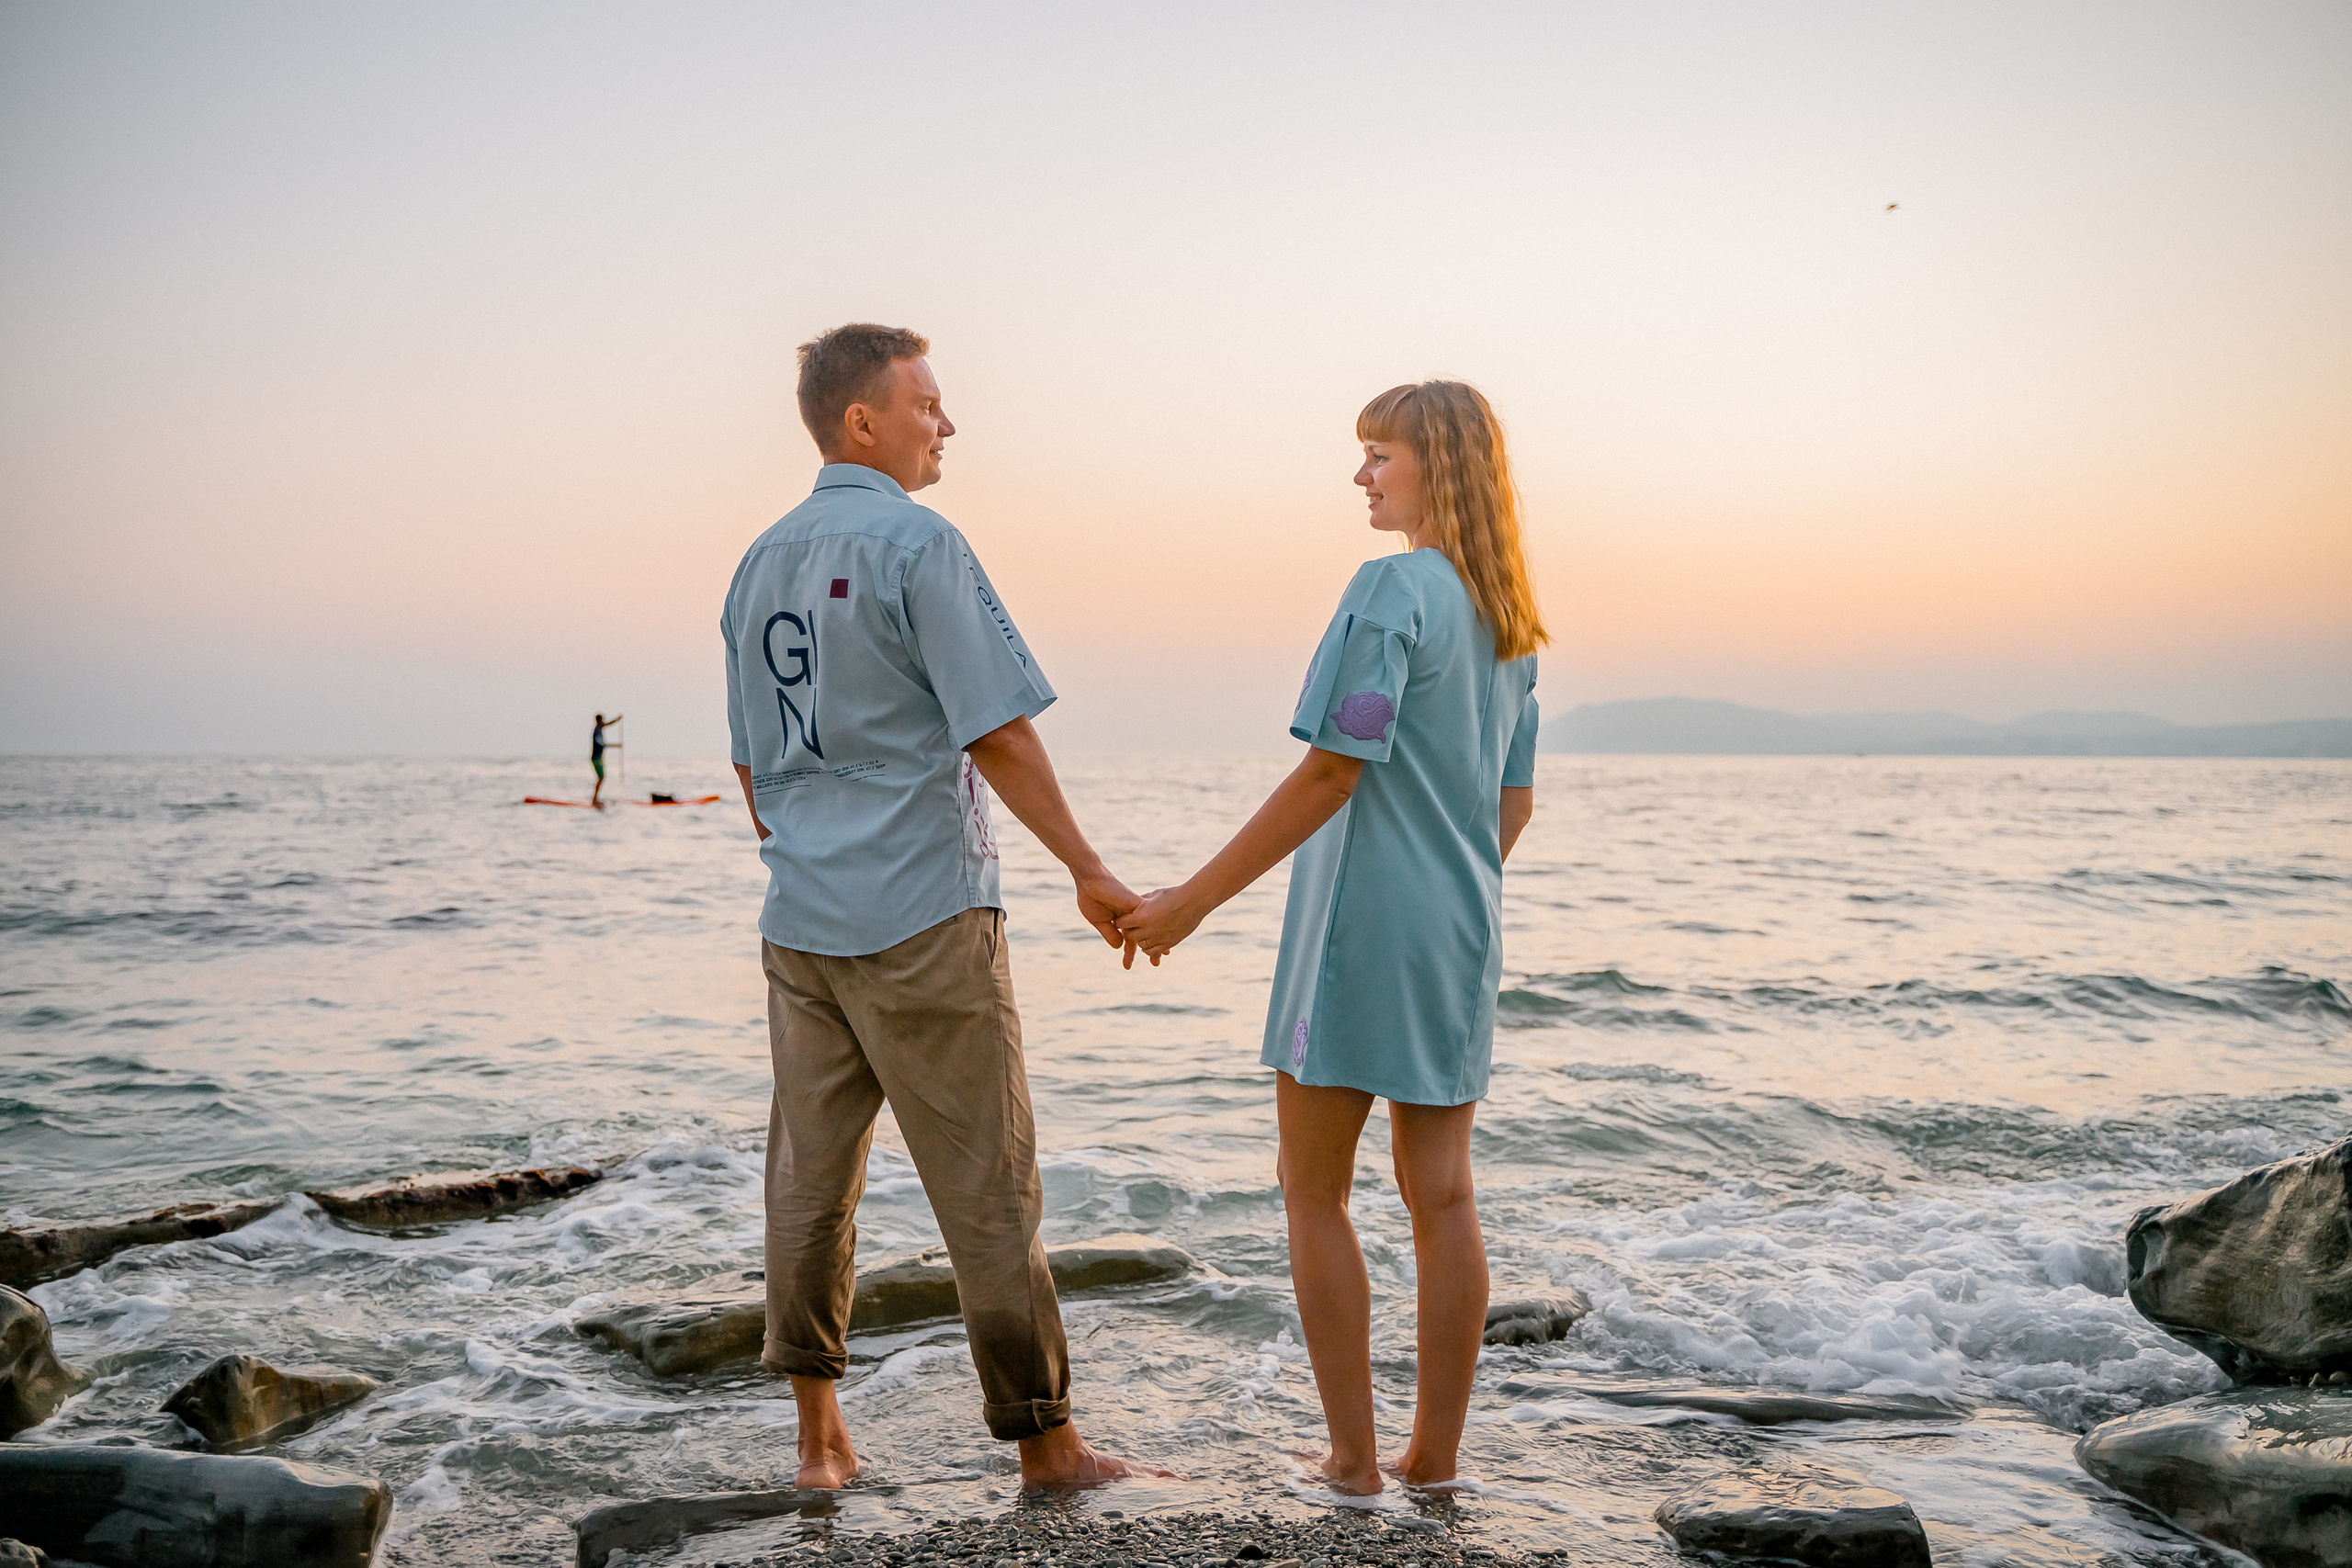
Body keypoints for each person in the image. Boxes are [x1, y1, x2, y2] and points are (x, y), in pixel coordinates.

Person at [722, 321, 1150, 1490]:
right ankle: (1047, 1446)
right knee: (987, 1182)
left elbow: (754, 778)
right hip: (923, 911)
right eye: (927, 404)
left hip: (799, 925)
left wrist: (814, 844)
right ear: (864, 421)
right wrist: (1088, 869)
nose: (946, 424)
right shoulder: (922, 542)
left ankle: (819, 1447)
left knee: (809, 1184)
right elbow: (1000, 731)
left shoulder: (756, 562)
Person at [1116, 380, 1544, 1496]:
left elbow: (1328, 770)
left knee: (1313, 1191)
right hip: (1461, 931)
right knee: (1442, 1193)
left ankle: (1354, 1461)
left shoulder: (1390, 588)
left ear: (1435, 466)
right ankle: (1433, 1462)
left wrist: (1190, 900)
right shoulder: (1513, 627)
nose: (1361, 476)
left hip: (1359, 933)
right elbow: (1513, 811)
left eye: (1377, 455)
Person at [590, 713, 621, 807]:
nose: (604, 722)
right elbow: (602, 744)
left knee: (602, 778)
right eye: (602, 720)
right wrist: (616, 746)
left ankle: (595, 798)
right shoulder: (596, 732)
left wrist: (617, 720)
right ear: (599, 721)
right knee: (601, 778)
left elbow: (607, 724)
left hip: (599, 758)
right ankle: (594, 799)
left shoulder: (600, 728)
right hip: (596, 758)